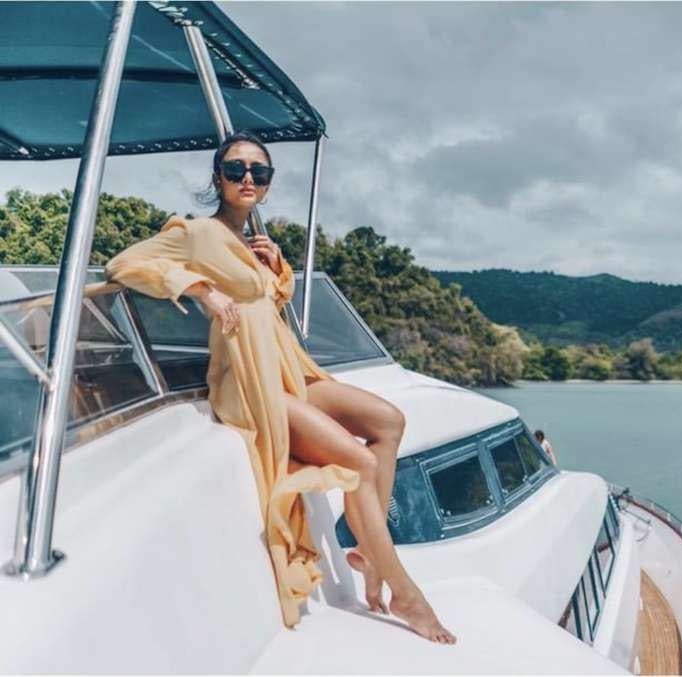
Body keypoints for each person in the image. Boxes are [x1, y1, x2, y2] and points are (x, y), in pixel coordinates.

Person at [104, 131, 455, 644]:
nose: (247, 178)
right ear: (218, 178)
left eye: (259, 172)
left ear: (267, 184)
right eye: (236, 169)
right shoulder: (197, 232)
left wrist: (274, 267)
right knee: (360, 462)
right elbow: (123, 264)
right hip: (249, 378)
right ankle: (404, 591)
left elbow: (268, 300)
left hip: (288, 366)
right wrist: (201, 290)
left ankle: (367, 550)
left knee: (389, 422)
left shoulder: (253, 241)